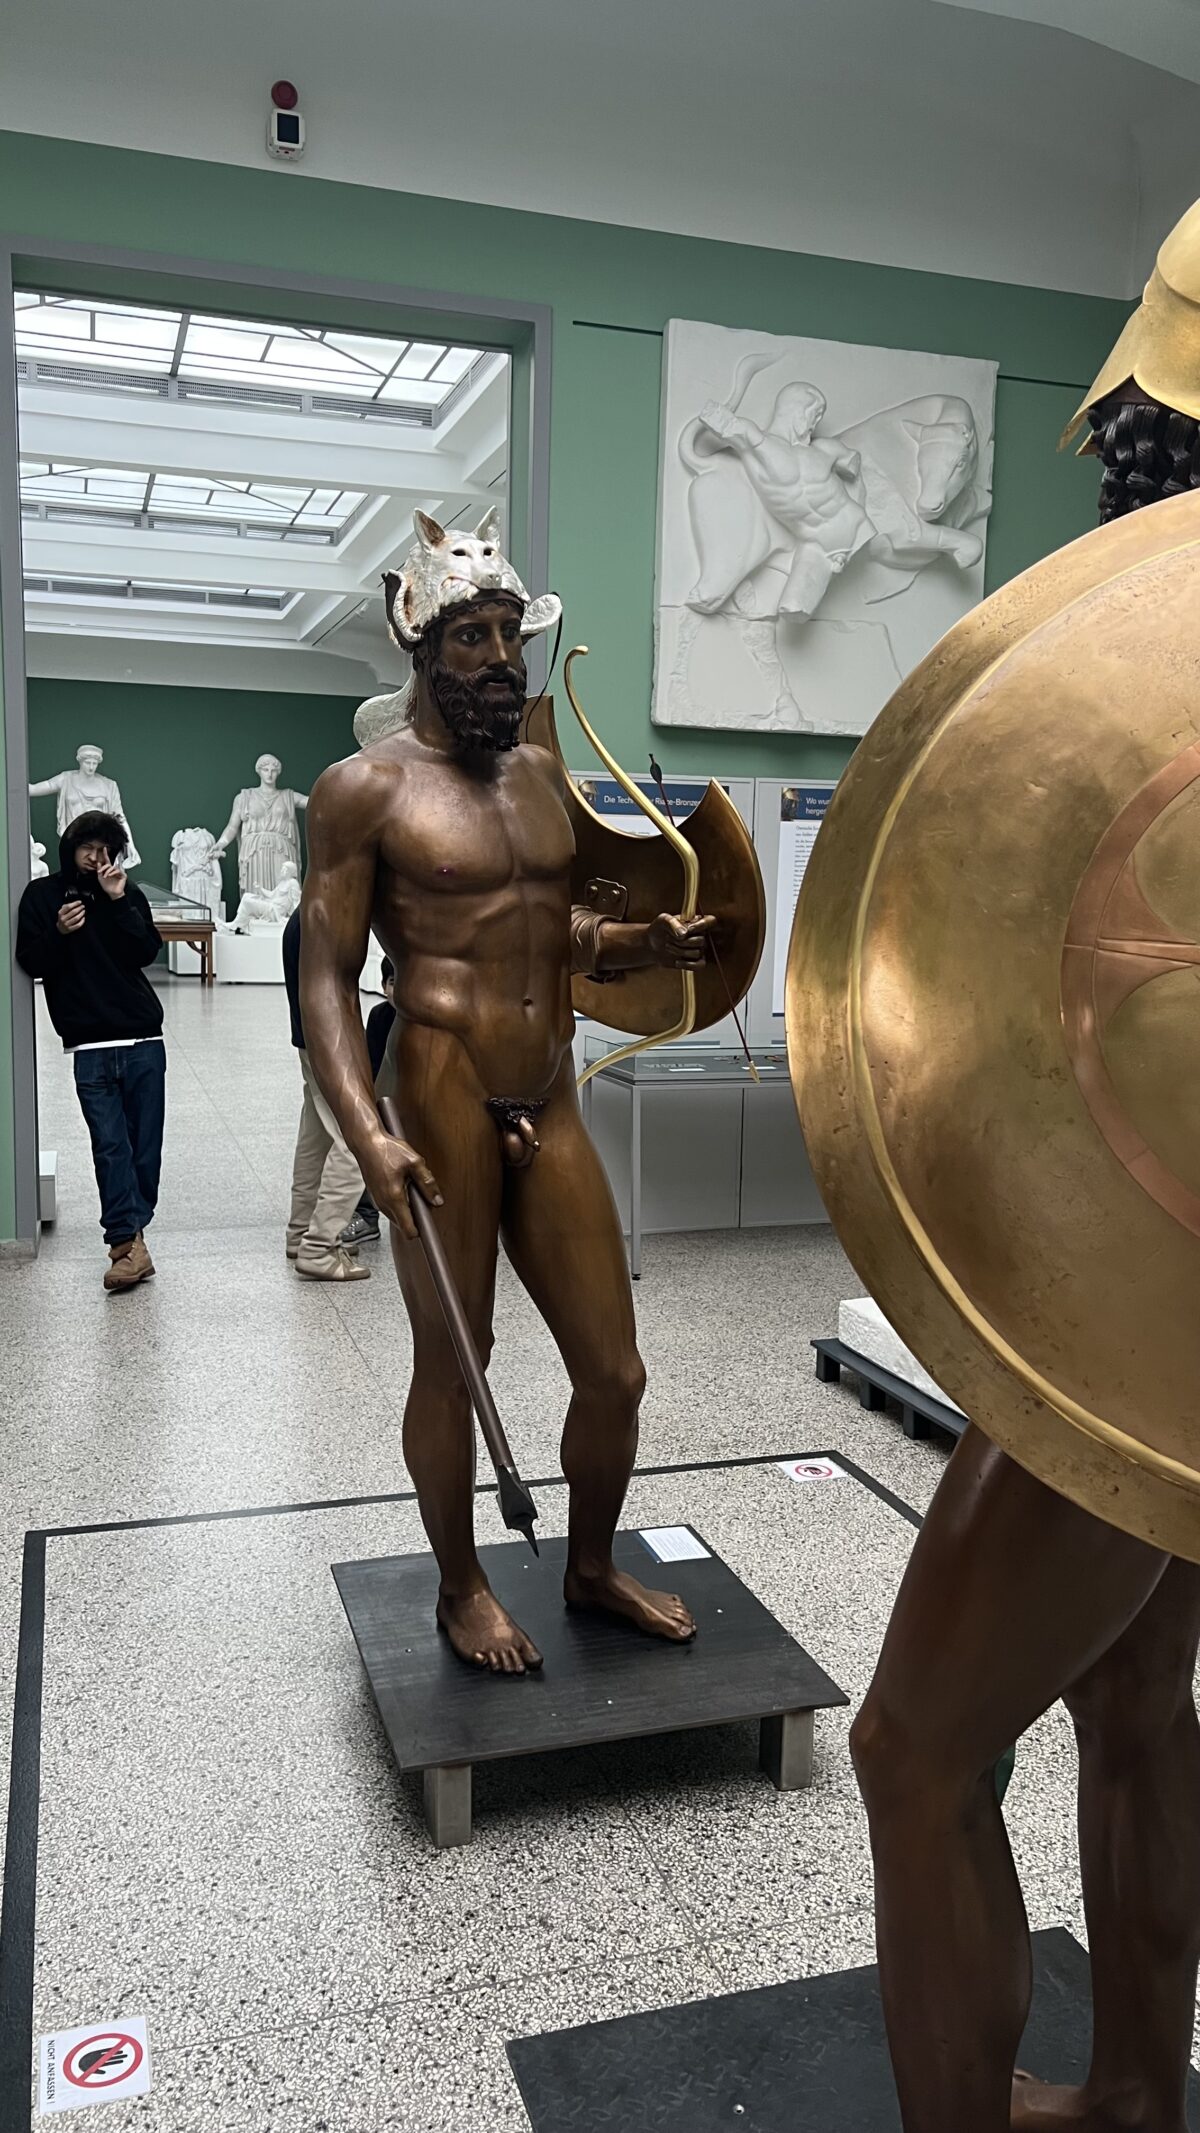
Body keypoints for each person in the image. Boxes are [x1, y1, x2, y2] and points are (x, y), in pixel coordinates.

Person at [847, 198, 1200, 2133]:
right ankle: (1138, 2084)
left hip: (1152, 1304)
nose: (1123, 458)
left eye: (1147, 428)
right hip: (1155, 1277)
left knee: (915, 1752)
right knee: (1137, 1697)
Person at [300, 507, 713, 1672]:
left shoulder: (537, 772)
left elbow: (551, 926)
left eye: (509, 637)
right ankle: (460, 1586)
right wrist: (368, 1133)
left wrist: (638, 943)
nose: (499, 660)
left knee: (615, 1371)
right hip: (441, 1083)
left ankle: (590, 1566)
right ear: (421, 646)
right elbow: (324, 978)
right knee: (456, 1358)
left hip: (551, 1085)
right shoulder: (363, 790)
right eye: (472, 638)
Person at [16, 811, 164, 1291]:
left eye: (106, 850)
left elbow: (146, 951)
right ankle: (124, 1244)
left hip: (143, 1039)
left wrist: (119, 901)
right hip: (89, 1045)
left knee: (145, 1151)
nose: (97, 859)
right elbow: (31, 961)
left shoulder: (124, 891)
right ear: (71, 847)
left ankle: (133, 1238)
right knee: (109, 1146)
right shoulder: (42, 897)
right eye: (88, 848)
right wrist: (58, 932)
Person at [282, 906, 369, 1283]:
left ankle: (302, 1231)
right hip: (330, 1041)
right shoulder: (325, 917)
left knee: (316, 1136)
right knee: (358, 1139)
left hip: (313, 1038)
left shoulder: (307, 913)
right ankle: (319, 1246)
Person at [340, 958, 396, 1250]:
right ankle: (366, 1215)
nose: (398, 990)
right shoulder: (379, 1017)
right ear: (383, 986)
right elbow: (370, 1067)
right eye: (393, 982)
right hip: (387, 1101)